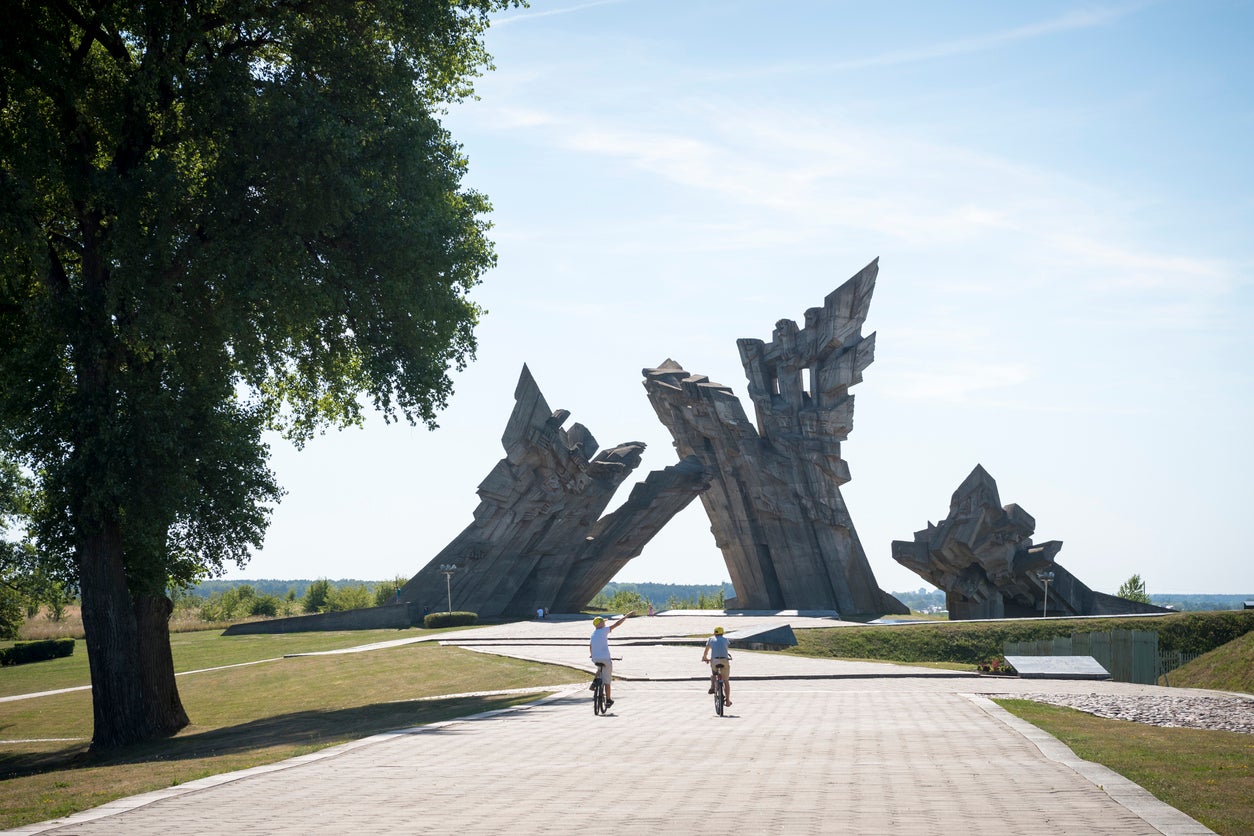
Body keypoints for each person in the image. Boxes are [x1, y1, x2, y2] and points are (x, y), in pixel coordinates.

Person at [589, 611, 634, 709]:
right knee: (607, 680)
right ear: (600, 624)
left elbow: (591, 646)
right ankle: (608, 700)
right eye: (603, 622)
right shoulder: (604, 630)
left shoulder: (593, 634)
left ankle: (594, 683)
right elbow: (617, 624)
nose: (605, 624)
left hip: (595, 658)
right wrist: (626, 616)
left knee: (599, 668)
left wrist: (592, 655)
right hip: (605, 659)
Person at [701, 625, 732, 707]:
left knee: (714, 674)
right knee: (726, 681)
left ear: (714, 633)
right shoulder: (726, 640)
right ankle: (728, 701)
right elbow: (724, 648)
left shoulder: (711, 639)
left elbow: (706, 651)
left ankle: (712, 686)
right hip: (724, 660)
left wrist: (705, 658)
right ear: (722, 633)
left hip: (714, 661)